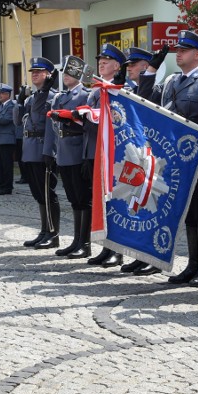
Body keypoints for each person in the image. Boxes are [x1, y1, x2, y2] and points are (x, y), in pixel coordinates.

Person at [139, 32, 198, 281]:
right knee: (188, 214)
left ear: (197, 54)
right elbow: (146, 98)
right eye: (178, 49)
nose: (178, 53)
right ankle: (193, 265)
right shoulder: (172, 81)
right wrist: (152, 68)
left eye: (184, 50)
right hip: (177, 161)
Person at [85, 44, 133, 268]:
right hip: (101, 150)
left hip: (120, 153)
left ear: (117, 66)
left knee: (118, 202)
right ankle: (106, 247)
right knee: (104, 202)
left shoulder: (123, 88)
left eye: (106, 61)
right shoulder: (98, 89)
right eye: (100, 60)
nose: (101, 63)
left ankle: (117, 251)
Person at [48, 57, 91, 259]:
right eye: (65, 73)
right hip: (64, 149)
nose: (66, 76)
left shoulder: (85, 94)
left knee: (83, 197)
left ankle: (85, 243)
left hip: (77, 147)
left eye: (70, 73)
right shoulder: (61, 96)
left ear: (79, 75)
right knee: (73, 198)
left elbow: (88, 122)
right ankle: (76, 241)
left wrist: (69, 116)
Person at [19, 57, 60, 249]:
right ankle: (44, 231)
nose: (34, 74)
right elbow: (18, 122)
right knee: (37, 193)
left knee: (47, 192)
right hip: (30, 148)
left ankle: (53, 233)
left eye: (39, 72)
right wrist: (20, 103)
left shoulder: (51, 96)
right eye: (32, 72)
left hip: (43, 147)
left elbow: (48, 122)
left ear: (49, 75)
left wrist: (50, 152)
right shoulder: (32, 97)